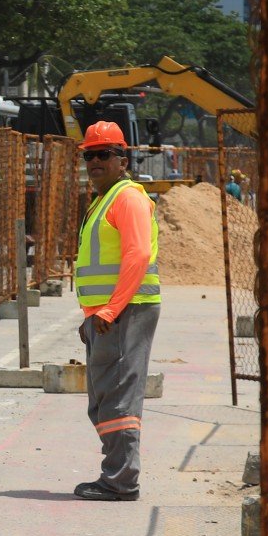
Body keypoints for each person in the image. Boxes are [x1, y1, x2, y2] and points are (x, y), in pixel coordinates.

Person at [72, 120, 161, 502]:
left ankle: (121, 480)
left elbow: (138, 255)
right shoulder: (104, 199)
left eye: (104, 154)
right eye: (89, 155)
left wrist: (110, 310)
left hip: (126, 312)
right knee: (105, 397)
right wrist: (94, 314)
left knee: (120, 397)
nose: (95, 161)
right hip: (107, 314)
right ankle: (116, 475)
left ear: (122, 160)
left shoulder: (127, 198)